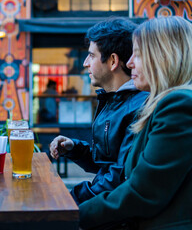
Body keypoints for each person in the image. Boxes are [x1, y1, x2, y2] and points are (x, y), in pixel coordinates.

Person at [79, 16, 192, 230]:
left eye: (138, 55)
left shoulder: (178, 105)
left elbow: (143, 192)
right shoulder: (158, 103)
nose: (129, 63)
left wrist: (74, 214)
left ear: (163, 58)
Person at [49, 18, 148, 205]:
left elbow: (118, 179)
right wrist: (75, 148)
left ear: (112, 61)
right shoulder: (114, 99)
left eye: (92, 56)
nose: (86, 63)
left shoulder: (138, 107)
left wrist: (68, 201)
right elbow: (106, 163)